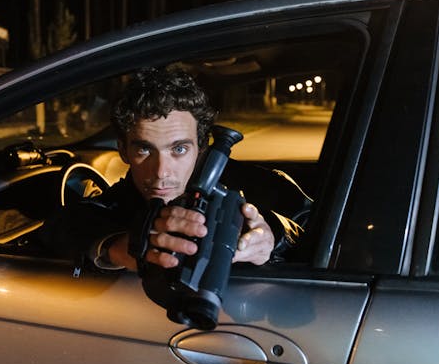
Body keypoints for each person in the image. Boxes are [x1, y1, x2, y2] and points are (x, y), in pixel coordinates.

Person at [46, 67, 307, 272]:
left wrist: (275, 235)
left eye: (179, 149)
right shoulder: (123, 199)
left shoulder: (261, 184)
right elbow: (62, 227)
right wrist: (115, 247)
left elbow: (314, 227)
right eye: (144, 150)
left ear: (202, 147)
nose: (161, 172)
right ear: (123, 151)